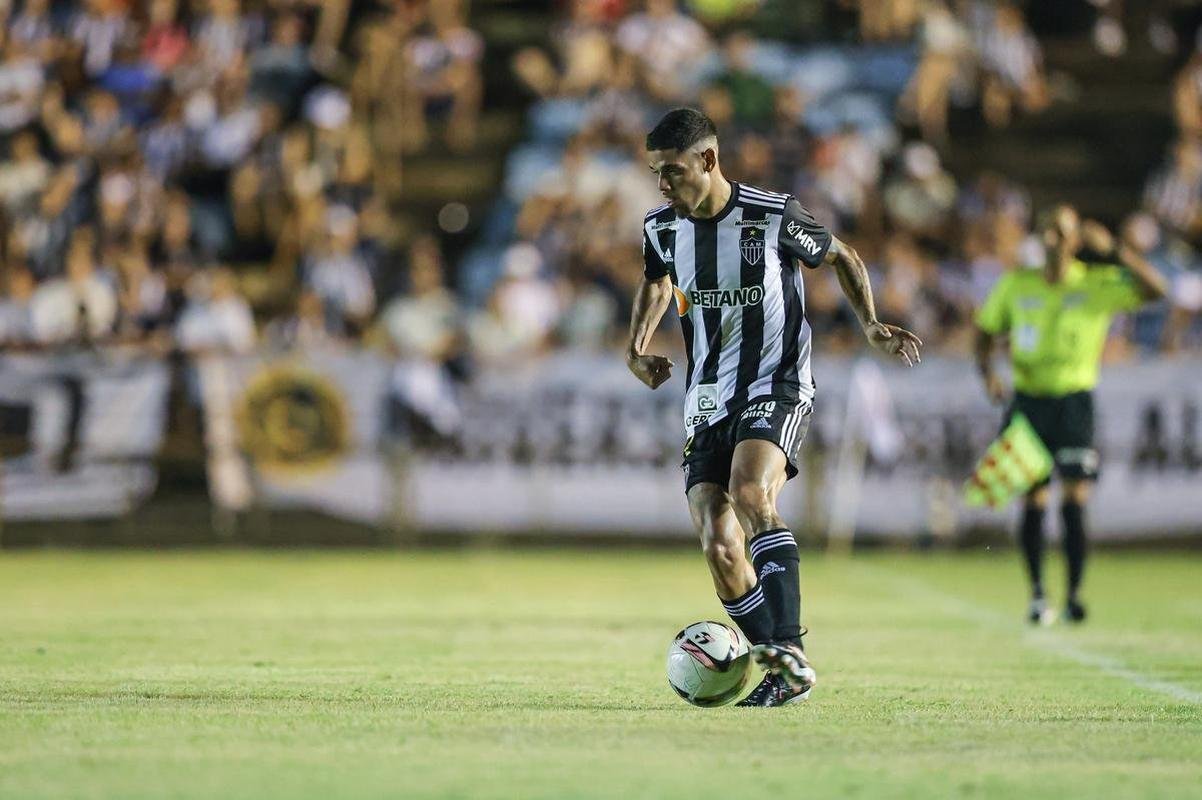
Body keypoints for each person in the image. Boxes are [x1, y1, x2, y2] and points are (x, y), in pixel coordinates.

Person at [626, 109, 922, 707]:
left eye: (673, 171)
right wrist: (636, 349)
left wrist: (868, 325)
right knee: (719, 543)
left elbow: (843, 256)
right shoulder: (662, 227)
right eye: (656, 173)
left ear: (709, 161)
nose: (662, 185)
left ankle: (791, 649)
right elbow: (657, 281)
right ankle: (781, 668)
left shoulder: (771, 214)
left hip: (776, 380)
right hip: (707, 394)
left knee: (753, 494)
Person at [974, 205, 1167, 625]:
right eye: (1046, 232)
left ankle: (1075, 593)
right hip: (1028, 402)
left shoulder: (1096, 283)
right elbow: (986, 330)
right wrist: (988, 373)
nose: (1051, 241)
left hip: (1075, 402)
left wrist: (1117, 250)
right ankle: (1038, 594)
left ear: (1076, 241)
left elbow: (1157, 290)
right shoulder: (1016, 284)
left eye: (1060, 233)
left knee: (1075, 499)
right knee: (1034, 498)